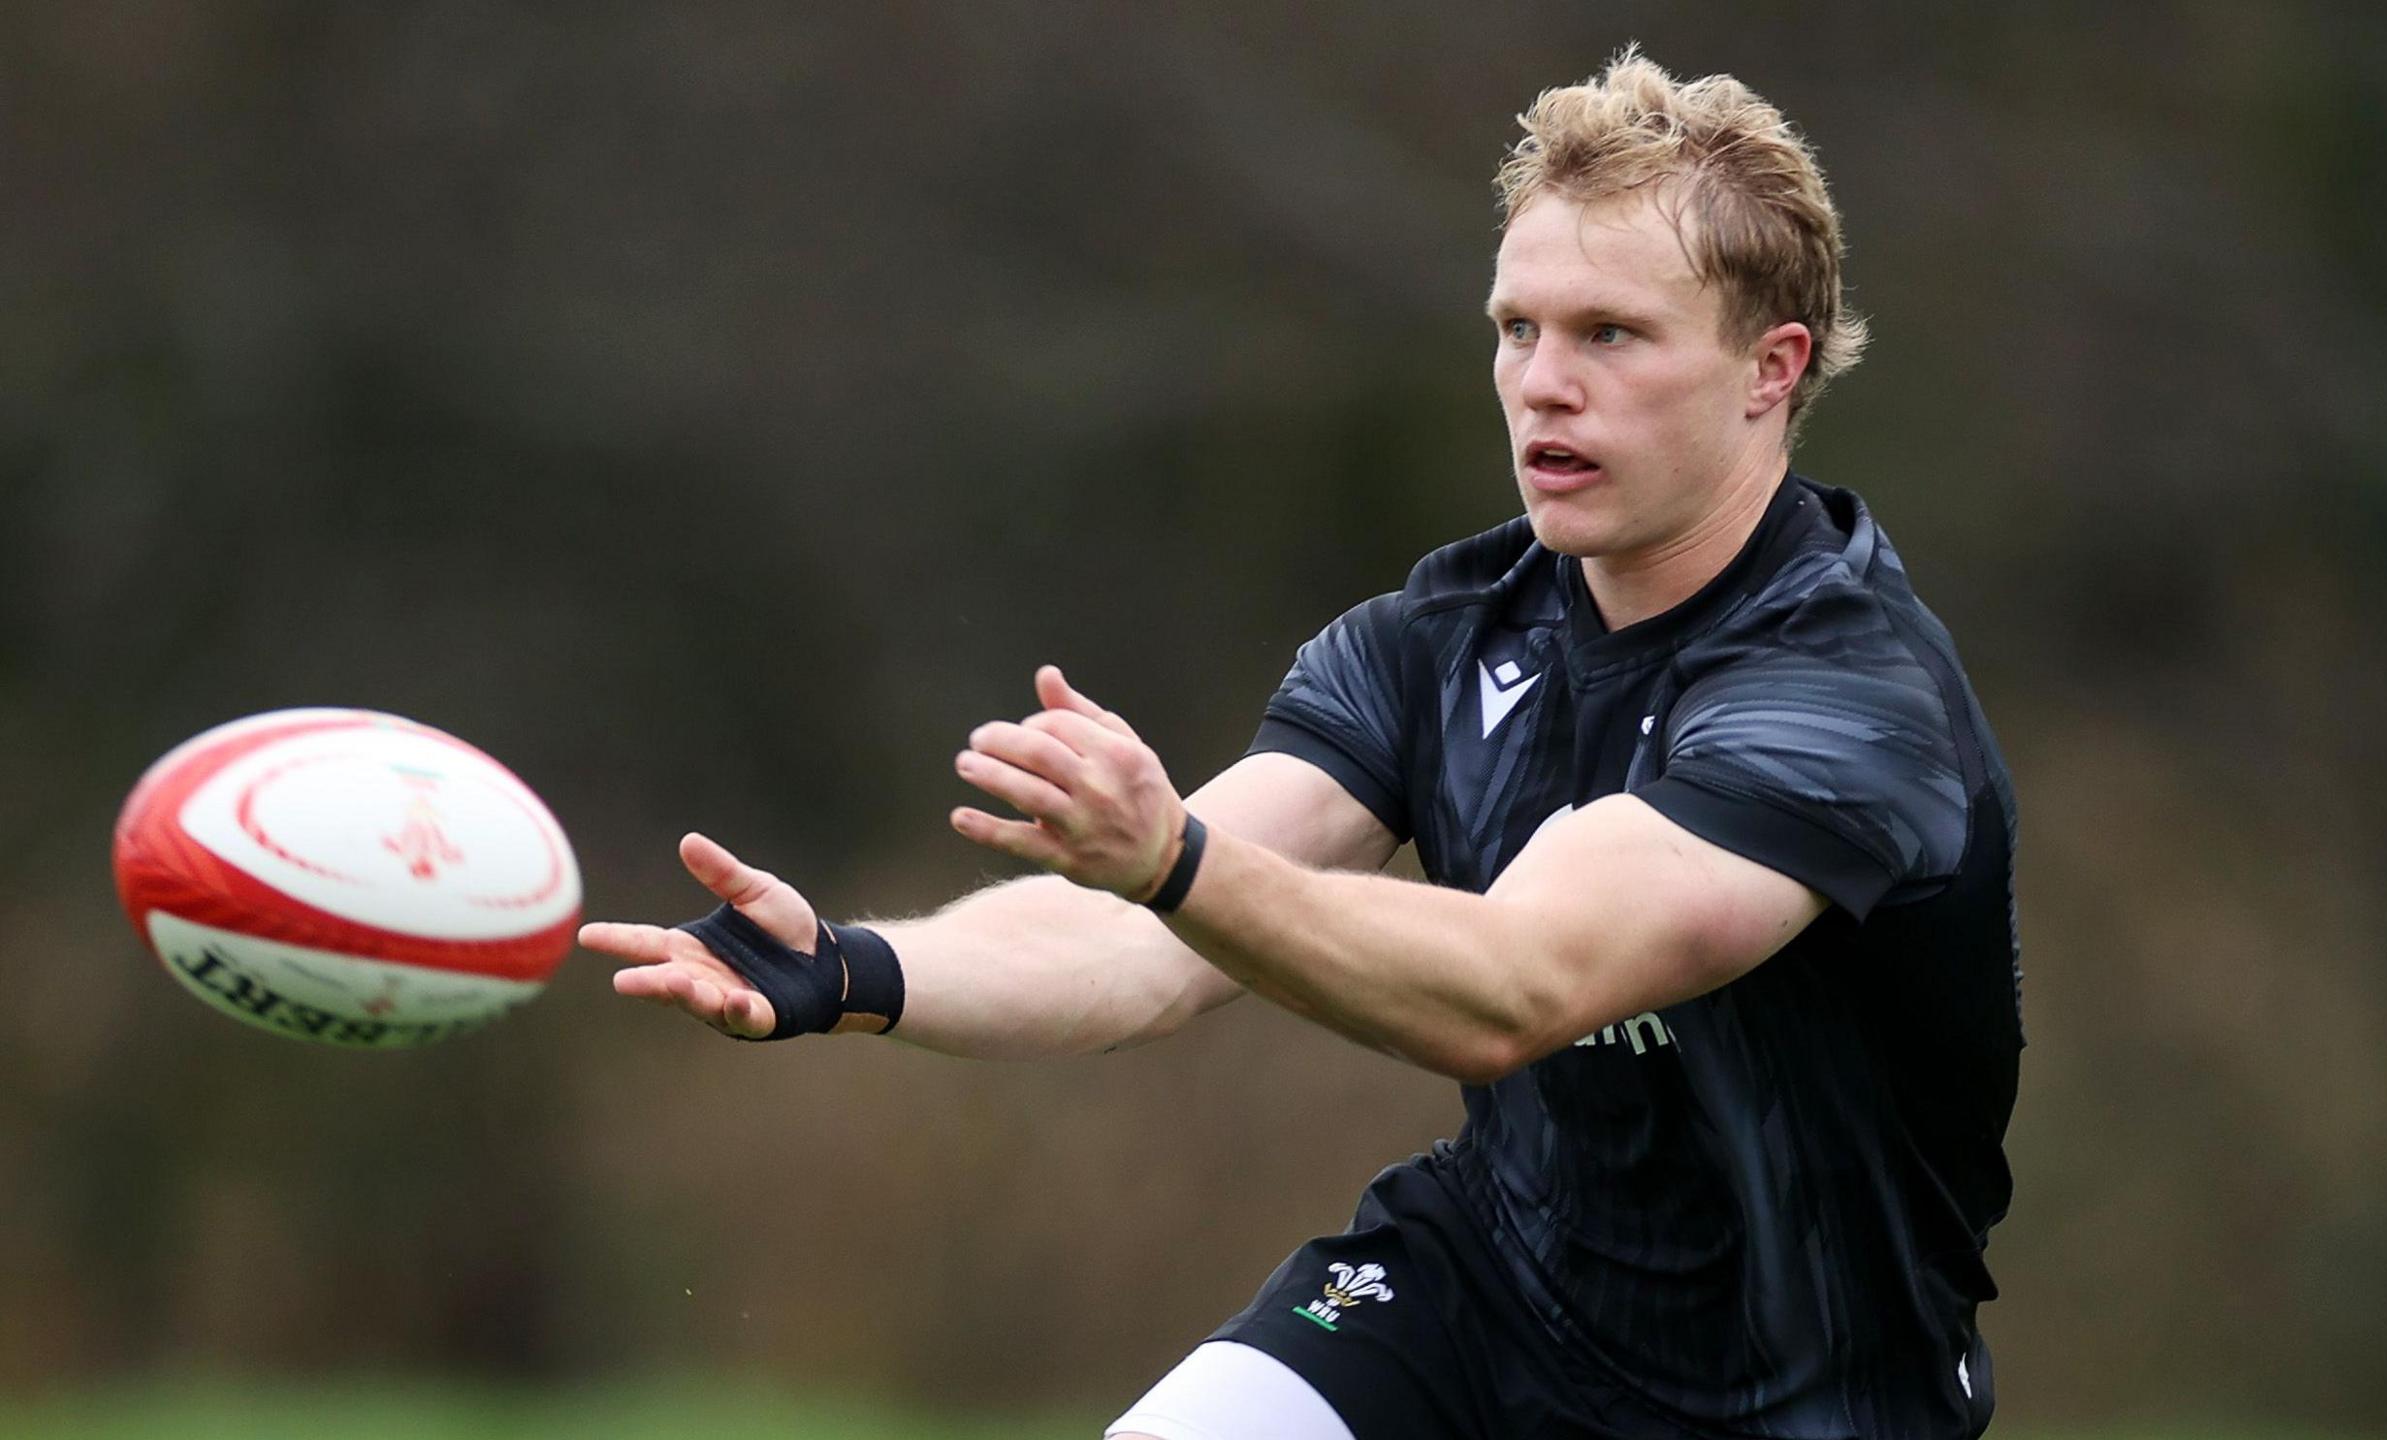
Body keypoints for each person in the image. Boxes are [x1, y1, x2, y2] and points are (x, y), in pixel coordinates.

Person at [582, 47, 2021, 1440]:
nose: (1541, 383)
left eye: (1611, 335)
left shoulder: (1844, 692)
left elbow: (1516, 988)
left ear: (1770, 369)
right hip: (1472, 1305)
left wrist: (1174, 863)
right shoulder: (1440, 635)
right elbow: (1151, 946)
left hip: (1800, 1401)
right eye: (1517, 328)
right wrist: (856, 967)